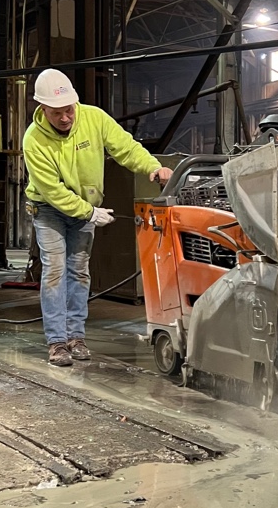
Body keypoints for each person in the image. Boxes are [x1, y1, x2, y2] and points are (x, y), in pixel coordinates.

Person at [23, 69, 173, 367]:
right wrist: (90, 213)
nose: (65, 118)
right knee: (54, 272)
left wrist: (152, 167)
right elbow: (52, 191)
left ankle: (76, 337)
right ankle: (57, 342)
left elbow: (126, 148)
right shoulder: (33, 140)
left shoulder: (94, 118)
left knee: (79, 272)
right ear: (42, 108)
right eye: (56, 113)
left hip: (84, 209)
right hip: (49, 210)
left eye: (68, 110)